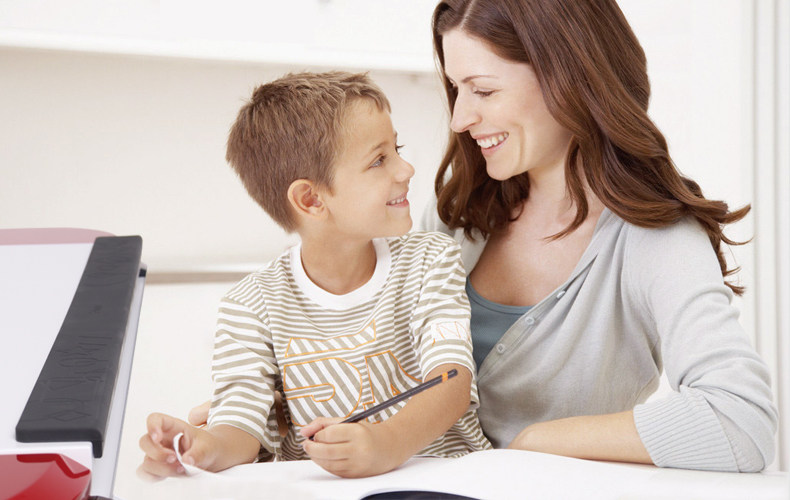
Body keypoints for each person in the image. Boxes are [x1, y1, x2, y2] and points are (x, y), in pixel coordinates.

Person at [419, 0, 777, 472]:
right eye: (455, 88)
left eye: (483, 90)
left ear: (567, 77)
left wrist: (534, 442)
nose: (460, 118)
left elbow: (740, 422)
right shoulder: (456, 210)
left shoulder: (655, 239)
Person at [138, 71, 491, 480]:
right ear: (310, 199)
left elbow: (451, 379)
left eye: (397, 149)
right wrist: (202, 449)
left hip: (451, 479)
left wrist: (386, 443)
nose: (406, 169)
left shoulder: (431, 260)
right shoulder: (249, 306)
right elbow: (239, 425)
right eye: (379, 160)